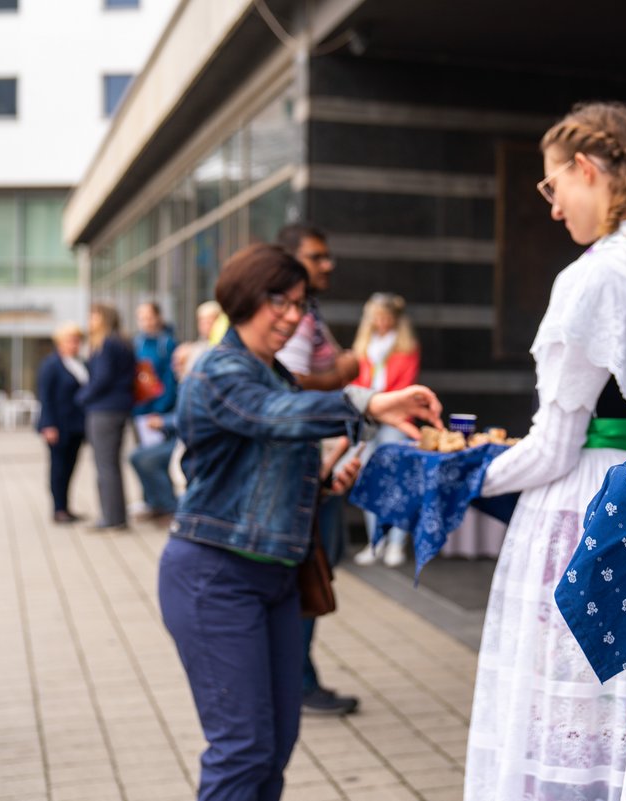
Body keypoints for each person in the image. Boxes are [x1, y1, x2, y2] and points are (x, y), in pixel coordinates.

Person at [464, 101, 626, 801]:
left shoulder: (592, 277)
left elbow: (551, 446)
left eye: (552, 187)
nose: (552, 208)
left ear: (584, 169)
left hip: (588, 502)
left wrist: (464, 473)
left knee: (566, 702)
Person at [158, 243, 442, 801]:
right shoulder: (219, 371)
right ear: (241, 298)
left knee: (276, 745)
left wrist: (320, 480)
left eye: (299, 303)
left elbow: (263, 464)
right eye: (277, 301)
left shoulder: (276, 375)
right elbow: (275, 419)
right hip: (215, 577)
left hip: (275, 580)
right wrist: (368, 402)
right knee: (242, 751)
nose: (292, 315)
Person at [270, 223, 362, 715]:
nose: (327, 265)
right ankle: (297, 681)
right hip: (312, 467)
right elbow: (290, 389)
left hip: (321, 466)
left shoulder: (308, 313)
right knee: (310, 575)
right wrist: (342, 376)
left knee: (318, 569)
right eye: (316, 257)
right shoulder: (298, 317)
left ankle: (295, 677)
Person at [349, 292, 421, 567]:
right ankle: (374, 541)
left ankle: (396, 543)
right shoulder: (364, 347)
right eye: (377, 318)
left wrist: (380, 405)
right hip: (369, 420)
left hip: (395, 420)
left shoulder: (406, 347)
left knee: (398, 482)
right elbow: (356, 382)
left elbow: (405, 387)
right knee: (369, 480)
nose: (381, 323)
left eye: (386, 318)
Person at [75, 303, 136, 531]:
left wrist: (81, 397)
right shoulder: (122, 341)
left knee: (105, 466)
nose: (89, 320)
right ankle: (116, 516)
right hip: (117, 408)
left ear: (104, 318)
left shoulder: (107, 343)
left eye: (93, 315)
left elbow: (102, 378)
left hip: (104, 410)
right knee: (111, 465)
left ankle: (111, 518)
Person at [130, 302, 179, 521]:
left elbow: (169, 380)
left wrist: (160, 410)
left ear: (158, 317)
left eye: (149, 317)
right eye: (142, 318)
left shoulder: (166, 344)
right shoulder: (137, 343)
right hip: (140, 411)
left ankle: (165, 503)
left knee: (157, 459)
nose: (146, 322)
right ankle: (151, 501)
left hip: (160, 413)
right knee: (142, 455)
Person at [36, 322, 89, 523]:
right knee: (58, 468)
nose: (74, 344)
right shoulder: (51, 365)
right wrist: (48, 425)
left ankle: (66, 506)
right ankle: (58, 509)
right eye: (70, 340)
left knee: (70, 467)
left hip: (76, 425)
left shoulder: (81, 364)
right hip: (57, 425)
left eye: (77, 341)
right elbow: (45, 397)